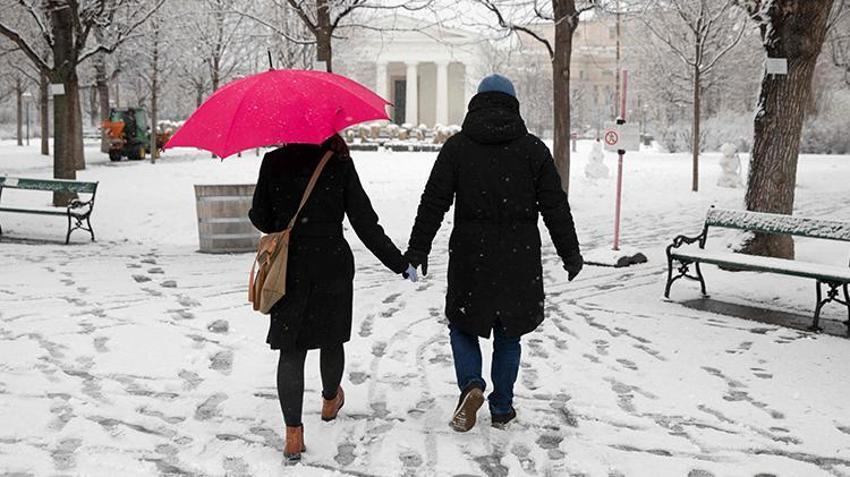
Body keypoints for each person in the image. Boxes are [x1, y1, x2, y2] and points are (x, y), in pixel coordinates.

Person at [405, 74, 583, 432]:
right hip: (519, 257)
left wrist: (417, 248)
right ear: (512, 105)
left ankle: (471, 383)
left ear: (477, 103)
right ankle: (501, 407)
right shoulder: (532, 149)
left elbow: (433, 202)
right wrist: (570, 253)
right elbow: (555, 207)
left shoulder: (457, 148)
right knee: (509, 332)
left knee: (462, 324)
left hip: (472, 256)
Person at [249, 134, 416, 461]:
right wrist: (399, 263)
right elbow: (365, 223)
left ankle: (293, 435)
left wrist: (282, 215)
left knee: (292, 350)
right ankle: (329, 401)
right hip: (331, 265)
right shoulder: (338, 164)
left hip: (290, 268)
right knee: (331, 338)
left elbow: (262, 218)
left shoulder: (273, 162)